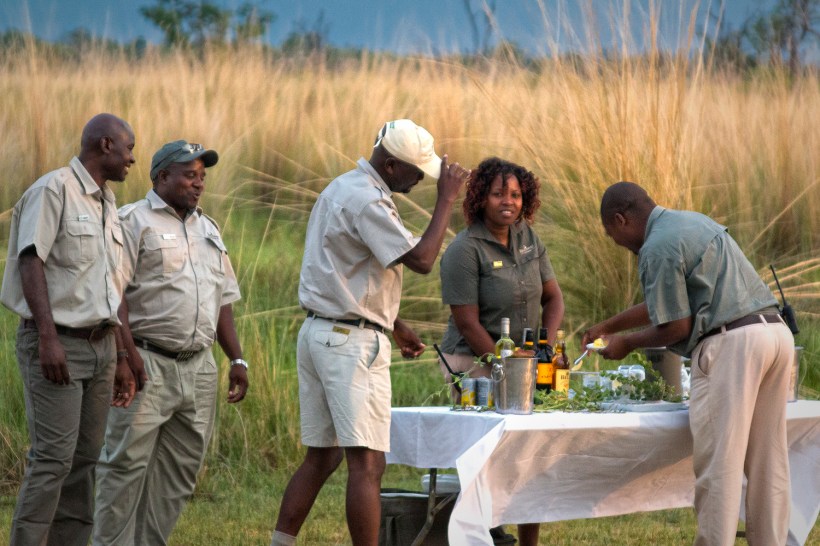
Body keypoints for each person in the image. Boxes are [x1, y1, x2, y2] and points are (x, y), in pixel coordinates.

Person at [270, 119, 468, 546]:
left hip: (321, 333)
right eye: (417, 172)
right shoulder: (368, 201)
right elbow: (422, 259)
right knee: (368, 464)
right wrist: (446, 199)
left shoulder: (343, 186)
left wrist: (393, 323)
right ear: (391, 165)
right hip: (348, 345)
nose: (421, 180)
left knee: (322, 458)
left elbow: (344, 272)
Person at [581, 181, 793, 546]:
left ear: (620, 220)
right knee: (769, 463)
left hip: (732, 347)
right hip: (775, 335)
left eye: (611, 234)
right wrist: (609, 326)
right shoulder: (691, 222)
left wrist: (626, 343)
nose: (616, 243)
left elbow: (676, 326)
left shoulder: (656, 248)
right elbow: (670, 301)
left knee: (720, 467)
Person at [92, 140, 249, 546]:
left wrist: (237, 359)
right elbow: (113, 294)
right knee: (124, 466)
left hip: (199, 367)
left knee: (178, 473)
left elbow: (223, 298)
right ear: (162, 176)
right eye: (189, 175)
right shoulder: (132, 221)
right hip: (148, 363)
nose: (199, 184)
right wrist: (125, 356)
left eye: (202, 176)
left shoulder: (208, 227)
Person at [0, 113, 135, 546]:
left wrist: (119, 355)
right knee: (52, 460)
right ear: (106, 145)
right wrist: (48, 338)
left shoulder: (107, 202)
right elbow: (30, 261)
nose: (133, 159)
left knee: (84, 462)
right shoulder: (53, 189)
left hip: (101, 347)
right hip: (58, 344)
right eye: (129, 148)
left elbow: (109, 286)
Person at [438, 157, 564, 546]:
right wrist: (504, 367)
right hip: (473, 362)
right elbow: (467, 323)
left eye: (515, 194)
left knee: (530, 457)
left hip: (523, 363)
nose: (508, 202)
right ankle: (484, 535)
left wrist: (544, 348)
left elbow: (553, 298)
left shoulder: (529, 238)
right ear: (481, 198)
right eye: (497, 194)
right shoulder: (464, 249)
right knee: (489, 462)